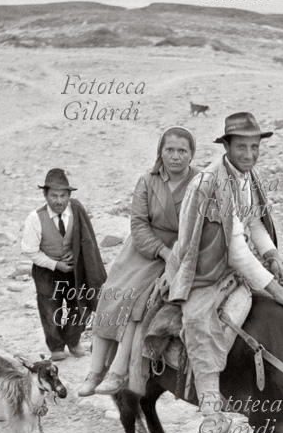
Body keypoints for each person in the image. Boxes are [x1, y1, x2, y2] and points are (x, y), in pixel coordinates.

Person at [165, 112, 283, 433]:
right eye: (243, 146)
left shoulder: (246, 176)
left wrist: (272, 257)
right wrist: (274, 288)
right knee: (199, 321)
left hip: (242, 262)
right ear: (227, 146)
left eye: (255, 146)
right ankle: (213, 416)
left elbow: (252, 224)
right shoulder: (211, 184)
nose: (250, 153)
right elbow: (235, 251)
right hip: (208, 268)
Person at [78, 127, 199, 396]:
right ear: (160, 151)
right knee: (111, 293)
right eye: (169, 150)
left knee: (141, 301)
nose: (175, 156)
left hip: (181, 250)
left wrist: (176, 255)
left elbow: (199, 227)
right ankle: (94, 370)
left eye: (182, 151)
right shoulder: (147, 180)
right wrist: (162, 252)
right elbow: (138, 224)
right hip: (143, 250)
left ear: (192, 154)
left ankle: (118, 371)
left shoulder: (200, 183)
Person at [21, 169, 106, 361]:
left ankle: (73, 340)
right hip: (47, 271)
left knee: (81, 306)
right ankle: (57, 346)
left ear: (69, 196)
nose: (58, 201)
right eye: (53, 196)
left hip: (75, 270)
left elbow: (86, 240)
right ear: (45, 195)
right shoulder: (35, 218)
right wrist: (55, 264)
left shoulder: (76, 211)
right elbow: (30, 250)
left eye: (62, 196)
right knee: (50, 310)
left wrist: (76, 256)